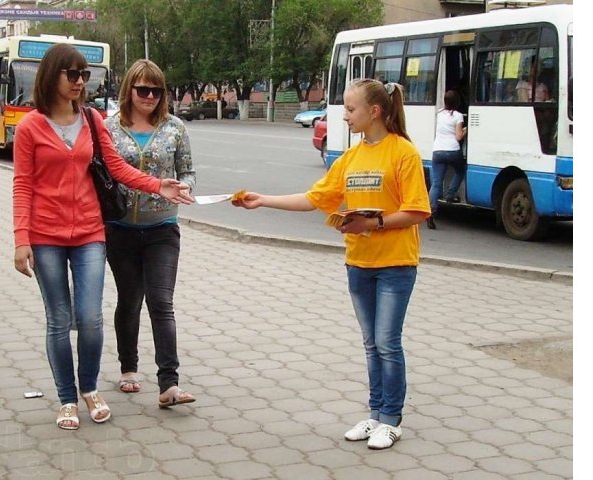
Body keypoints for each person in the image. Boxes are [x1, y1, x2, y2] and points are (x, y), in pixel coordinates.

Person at [232, 78, 430, 450]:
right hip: (359, 263)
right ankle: (375, 415)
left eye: (351, 109)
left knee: (387, 343)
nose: (345, 116)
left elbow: (417, 211)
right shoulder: (349, 158)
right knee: (371, 344)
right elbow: (314, 199)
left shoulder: (403, 152)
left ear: (375, 111)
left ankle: (391, 419)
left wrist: (371, 223)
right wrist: (263, 200)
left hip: (396, 264)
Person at [12, 44, 194, 430]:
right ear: (52, 76)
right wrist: (21, 238)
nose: (80, 82)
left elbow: (116, 167)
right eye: (73, 74)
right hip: (45, 235)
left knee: (90, 318)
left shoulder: (92, 120)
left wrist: (157, 185)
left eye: (84, 75)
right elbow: (23, 185)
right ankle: (67, 399)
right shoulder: (31, 126)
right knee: (59, 319)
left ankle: (90, 389)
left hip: (90, 232)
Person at [103, 59, 197, 408]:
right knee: (130, 299)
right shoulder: (109, 128)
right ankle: (128, 368)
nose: (150, 97)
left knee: (161, 302)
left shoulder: (174, 128)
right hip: (120, 230)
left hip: (162, 229)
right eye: (143, 89)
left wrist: (185, 187)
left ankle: (169, 384)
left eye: (157, 91)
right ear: (129, 90)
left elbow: (188, 170)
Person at [426, 89, 467, 230]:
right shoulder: (458, 115)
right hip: (453, 151)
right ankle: (450, 195)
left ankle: (431, 212)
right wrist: (465, 130)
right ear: (457, 102)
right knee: (460, 171)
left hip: (437, 151)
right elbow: (458, 136)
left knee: (436, 183)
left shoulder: (439, 114)